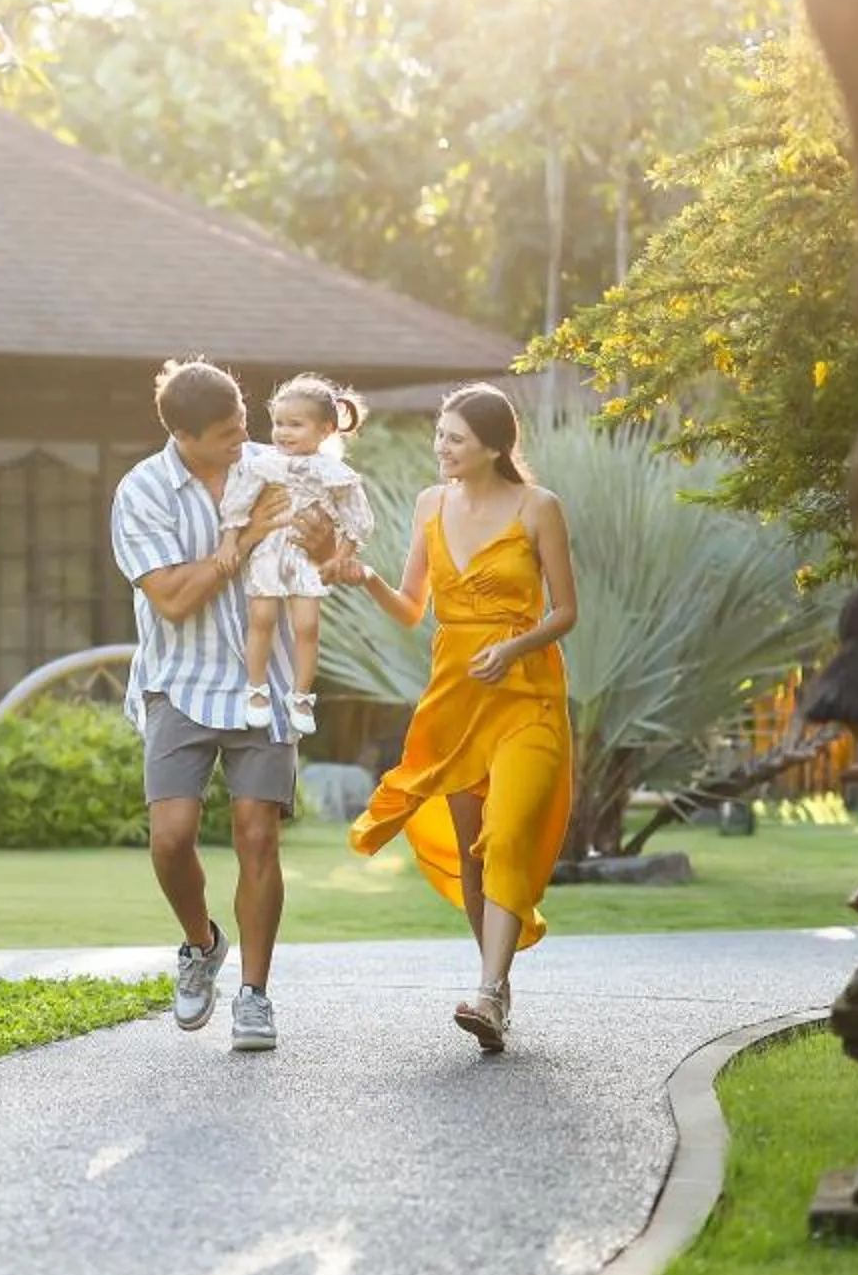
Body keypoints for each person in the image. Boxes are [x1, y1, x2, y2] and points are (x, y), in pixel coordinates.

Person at [331, 382, 579, 1054]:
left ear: (494, 447)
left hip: (526, 693)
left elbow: (565, 612)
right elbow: (412, 607)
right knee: (473, 853)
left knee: (507, 831)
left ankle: (489, 991)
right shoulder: (429, 505)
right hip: (456, 697)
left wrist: (514, 647)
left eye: (455, 438)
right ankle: (494, 988)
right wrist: (366, 579)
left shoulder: (539, 507)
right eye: (439, 434)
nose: (441, 447)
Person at [109, 357, 300, 1053]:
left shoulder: (273, 469)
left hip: (263, 680)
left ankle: (254, 996)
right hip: (178, 682)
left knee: (257, 834)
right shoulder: (143, 491)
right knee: (171, 837)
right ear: (183, 436)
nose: (242, 437)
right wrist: (242, 543)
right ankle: (201, 943)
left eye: (243, 422)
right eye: (226, 432)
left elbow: (327, 542)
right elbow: (172, 598)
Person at [218, 375, 375, 736]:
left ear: (326, 429)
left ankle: (301, 695)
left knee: (307, 626)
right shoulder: (263, 465)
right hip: (269, 551)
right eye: (278, 423)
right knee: (261, 618)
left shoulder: (335, 473)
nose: (283, 432)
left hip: (306, 556)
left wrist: (341, 556)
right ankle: (256, 688)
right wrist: (229, 541)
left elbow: (358, 519)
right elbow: (237, 503)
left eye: (295, 424)